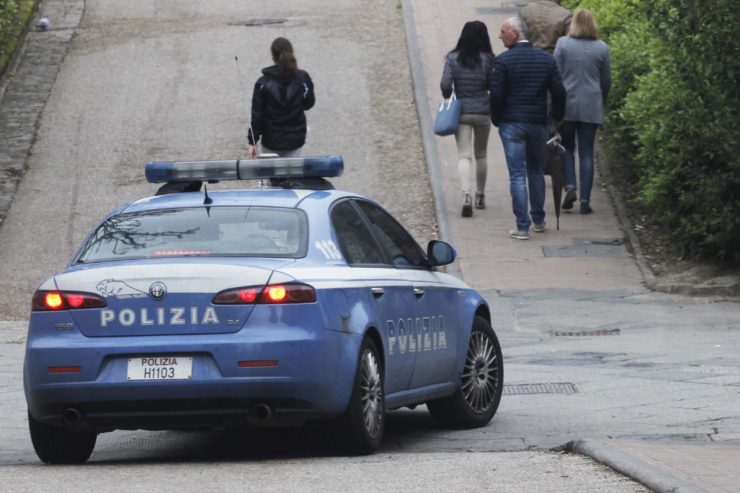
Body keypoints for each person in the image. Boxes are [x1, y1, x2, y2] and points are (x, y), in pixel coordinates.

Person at [490, 16, 565, 240]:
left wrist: (497, 119)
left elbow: (497, 95)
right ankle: (539, 220)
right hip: (536, 123)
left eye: (503, 31)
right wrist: (556, 118)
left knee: (516, 175)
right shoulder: (546, 60)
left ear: (516, 33)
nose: (500, 36)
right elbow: (559, 92)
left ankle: (522, 226)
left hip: (511, 123)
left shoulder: (503, 62)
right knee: (535, 171)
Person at [554, 10, 611, 214]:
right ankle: (585, 201)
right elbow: (606, 81)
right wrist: (600, 102)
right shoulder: (602, 48)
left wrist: (554, 105)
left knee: (567, 148)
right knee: (587, 152)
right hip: (591, 105)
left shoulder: (562, 44)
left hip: (567, 105)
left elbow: (556, 75)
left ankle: (570, 186)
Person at [440, 21, 496, 217]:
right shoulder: (488, 59)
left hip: (461, 112)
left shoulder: (453, 58)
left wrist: (451, 94)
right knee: (481, 154)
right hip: (482, 111)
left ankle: (466, 195)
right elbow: (493, 84)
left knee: (464, 155)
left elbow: (446, 86)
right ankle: (480, 194)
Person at [247, 37, 315, 159]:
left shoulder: (262, 84)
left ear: (273, 57)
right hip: (296, 140)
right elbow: (308, 104)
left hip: (271, 141)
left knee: (270, 175)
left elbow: (257, 115)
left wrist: (252, 141)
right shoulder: (302, 78)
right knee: (296, 175)